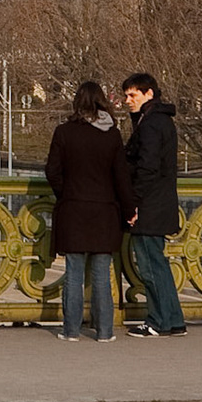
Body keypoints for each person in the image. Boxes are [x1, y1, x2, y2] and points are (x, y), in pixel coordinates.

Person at [43, 80, 138, 341]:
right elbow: (122, 177)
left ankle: (70, 330)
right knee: (101, 274)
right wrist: (129, 208)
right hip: (104, 212)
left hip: (73, 210)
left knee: (73, 272)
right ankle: (105, 331)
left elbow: (52, 171)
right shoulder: (112, 135)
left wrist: (67, 193)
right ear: (102, 103)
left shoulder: (64, 132)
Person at [121, 72, 186, 337]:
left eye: (132, 95)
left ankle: (158, 321)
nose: (127, 100)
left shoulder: (150, 125)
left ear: (149, 94)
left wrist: (133, 203)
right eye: (126, 95)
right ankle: (173, 320)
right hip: (159, 203)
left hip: (149, 206)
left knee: (149, 266)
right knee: (158, 264)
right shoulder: (159, 122)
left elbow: (146, 167)